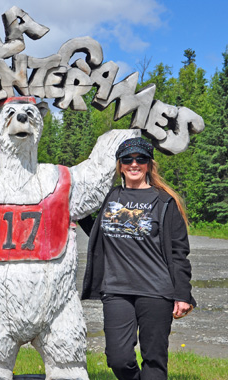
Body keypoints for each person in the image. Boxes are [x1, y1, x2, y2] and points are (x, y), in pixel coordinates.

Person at [80, 137, 196, 380]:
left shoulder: (164, 201)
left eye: (140, 159)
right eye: (127, 159)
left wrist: (183, 294)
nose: (134, 163)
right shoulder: (111, 197)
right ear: (120, 165)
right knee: (118, 357)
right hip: (116, 289)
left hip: (156, 290)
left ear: (149, 164)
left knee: (154, 359)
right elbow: (103, 231)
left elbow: (179, 252)